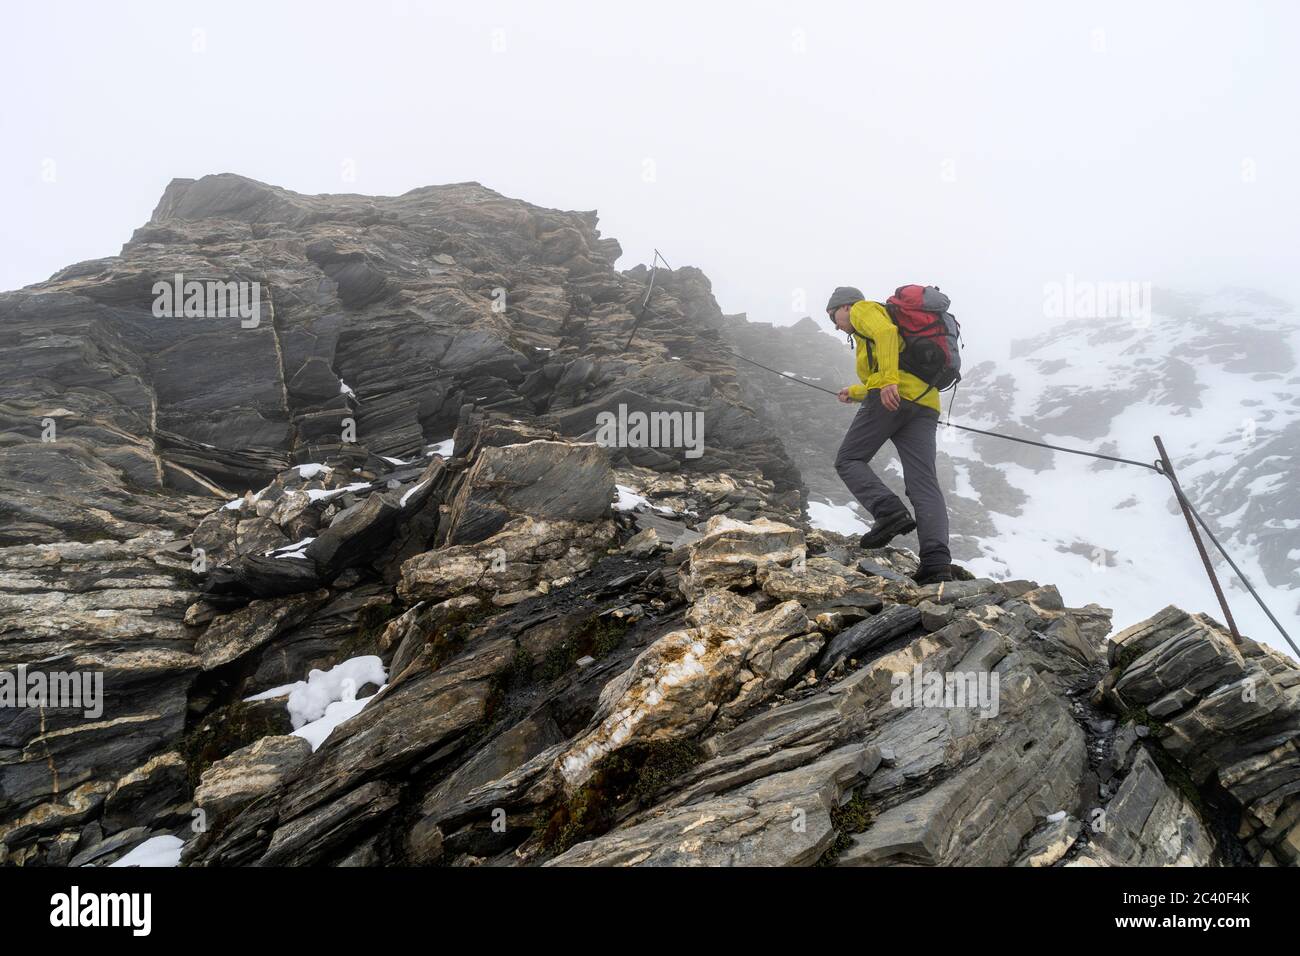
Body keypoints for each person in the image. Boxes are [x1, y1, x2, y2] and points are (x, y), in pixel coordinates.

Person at [826, 286, 953, 585]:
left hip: (892, 399)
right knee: (923, 482)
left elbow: (885, 334)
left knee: (849, 460)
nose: (836, 325)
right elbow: (891, 363)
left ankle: (889, 513)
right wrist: (856, 392)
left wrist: (887, 384)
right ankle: (936, 564)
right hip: (925, 404)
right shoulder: (869, 325)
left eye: (834, 316)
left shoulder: (863, 309)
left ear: (844, 306)